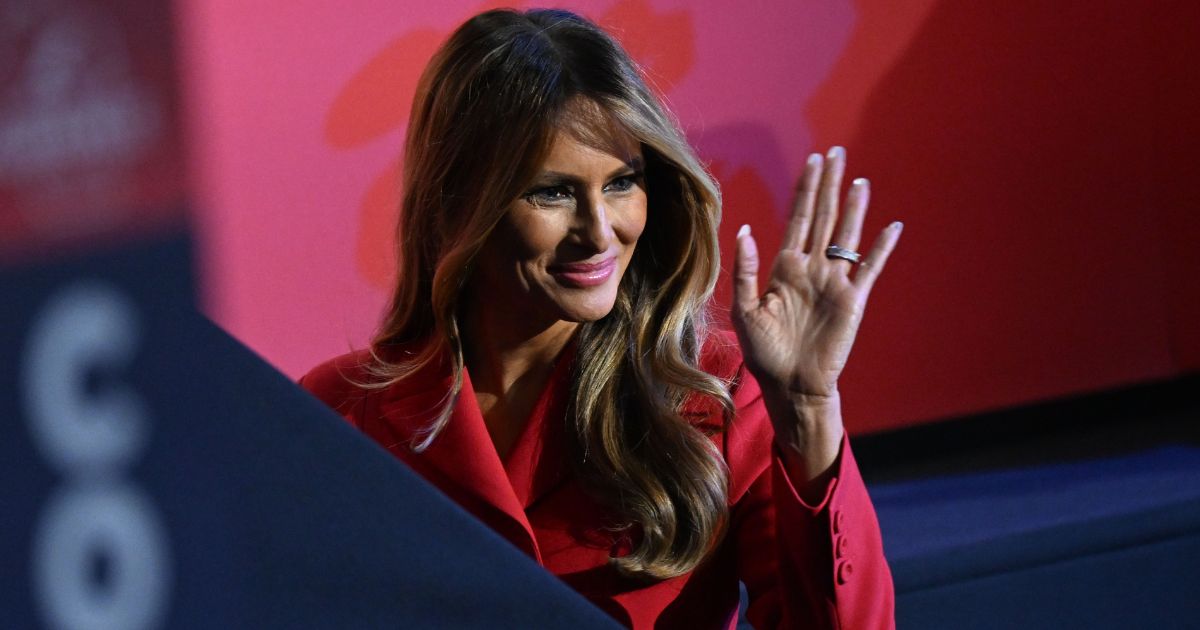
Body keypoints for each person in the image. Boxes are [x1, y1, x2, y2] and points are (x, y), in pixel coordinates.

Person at [300, 7, 900, 629]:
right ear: (460, 202)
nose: (599, 231)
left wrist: (807, 409)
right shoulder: (337, 415)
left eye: (622, 183)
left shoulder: (716, 397)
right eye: (552, 191)